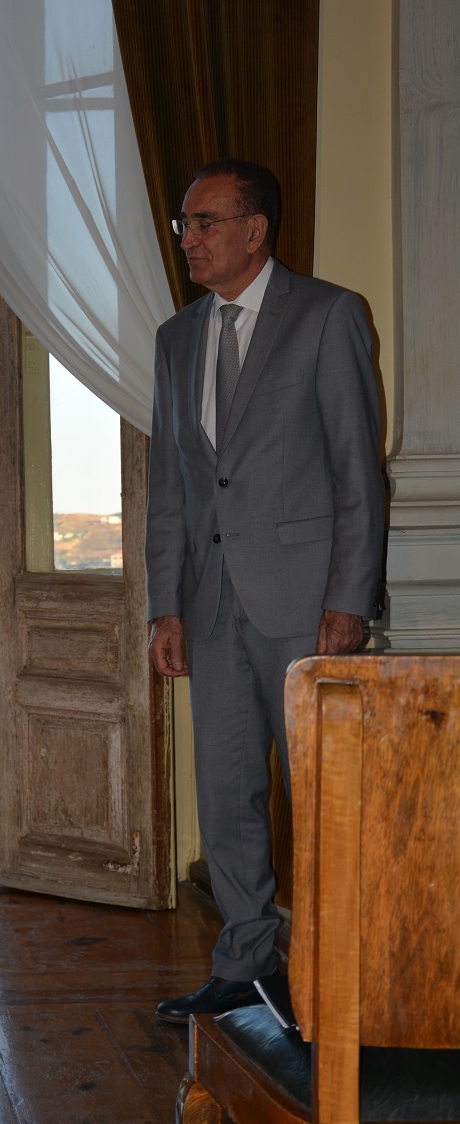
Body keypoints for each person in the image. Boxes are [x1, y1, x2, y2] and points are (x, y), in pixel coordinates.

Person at [145, 159, 384, 1023]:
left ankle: (336, 975)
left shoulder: (328, 315)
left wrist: (350, 599)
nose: (189, 238)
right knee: (227, 794)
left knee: (323, 798)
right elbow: (171, 486)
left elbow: (359, 471)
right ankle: (245, 963)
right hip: (211, 606)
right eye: (184, 224)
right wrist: (166, 605)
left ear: (256, 229)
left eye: (205, 222)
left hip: (308, 604)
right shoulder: (177, 337)